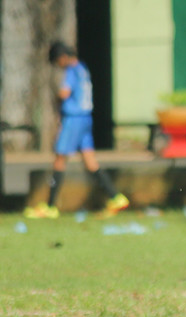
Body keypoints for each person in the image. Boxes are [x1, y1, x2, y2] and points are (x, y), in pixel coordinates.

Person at [24, 41, 129, 219]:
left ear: (62, 58)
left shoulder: (71, 71)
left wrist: (57, 102)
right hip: (86, 118)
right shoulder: (82, 68)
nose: (58, 66)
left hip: (73, 119)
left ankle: (50, 206)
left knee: (59, 159)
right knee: (90, 162)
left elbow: (65, 93)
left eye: (57, 62)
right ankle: (116, 198)